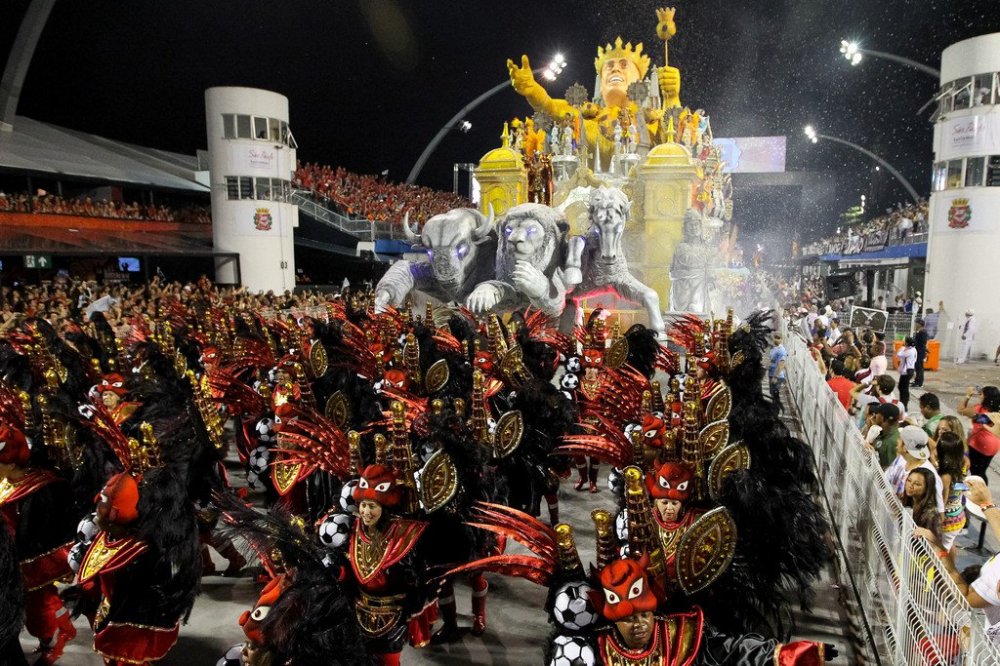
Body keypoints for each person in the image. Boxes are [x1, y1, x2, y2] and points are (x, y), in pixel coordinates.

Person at [885, 425, 945, 516]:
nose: (897, 441)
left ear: (905, 448)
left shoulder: (929, 476)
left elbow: (939, 513)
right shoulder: (901, 459)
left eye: (900, 439)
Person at [959, 385, 1000, 482]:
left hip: (980, 445)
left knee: (972, 470)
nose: (979, 396)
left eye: (981, 394)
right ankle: (982, 491)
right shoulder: (996, 411)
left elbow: (961, 410)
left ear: (986, 397)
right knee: (981, 471)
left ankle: (976, 492)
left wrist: (968, 396)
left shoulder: (979, 410)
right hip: (994, 446)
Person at [935, 431, 967, 555]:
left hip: (948, 521)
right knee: (947, 548)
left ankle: (943, 572)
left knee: (941, 553)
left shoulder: (945, 476)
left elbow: (941, 503)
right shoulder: (961, 464)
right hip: (958, 515)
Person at [864, 402, 901, 469]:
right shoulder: (884, 433)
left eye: (878, 414)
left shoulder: (891, 442)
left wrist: (873, 456)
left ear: (883, 418)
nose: (875, 415)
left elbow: (887, 468)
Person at [896, 336, 917, 410]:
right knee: (903, 387)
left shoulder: (909, 351)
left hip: (907, 371)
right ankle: (904, 403)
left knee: (903, 388)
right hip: (909, 370)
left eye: (904, 341)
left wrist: (902, 347)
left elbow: (899, 354)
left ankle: (904, 404)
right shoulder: (913, 349)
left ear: (907, 343)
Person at [768, 333, 787, 414]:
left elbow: (781, 364)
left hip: (777, 376)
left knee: (775, 394)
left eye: (778, 338)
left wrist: (775, 376)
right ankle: (774, 412)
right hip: (772, 374)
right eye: (775, 337)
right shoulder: (774, 348)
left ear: (782, 339)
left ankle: (776, 413)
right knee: (772, 394)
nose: (776, 339)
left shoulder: (781, 350)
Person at [913, 319, 928, 387]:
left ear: (919, 324)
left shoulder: (922, 332)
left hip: (920, 352)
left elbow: (922, 343)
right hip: (918, 351)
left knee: (919, 367)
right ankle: (917, 380)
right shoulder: (919, 331)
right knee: (917, 367)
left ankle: (919, 382)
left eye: (916, 323)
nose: (915, 325)